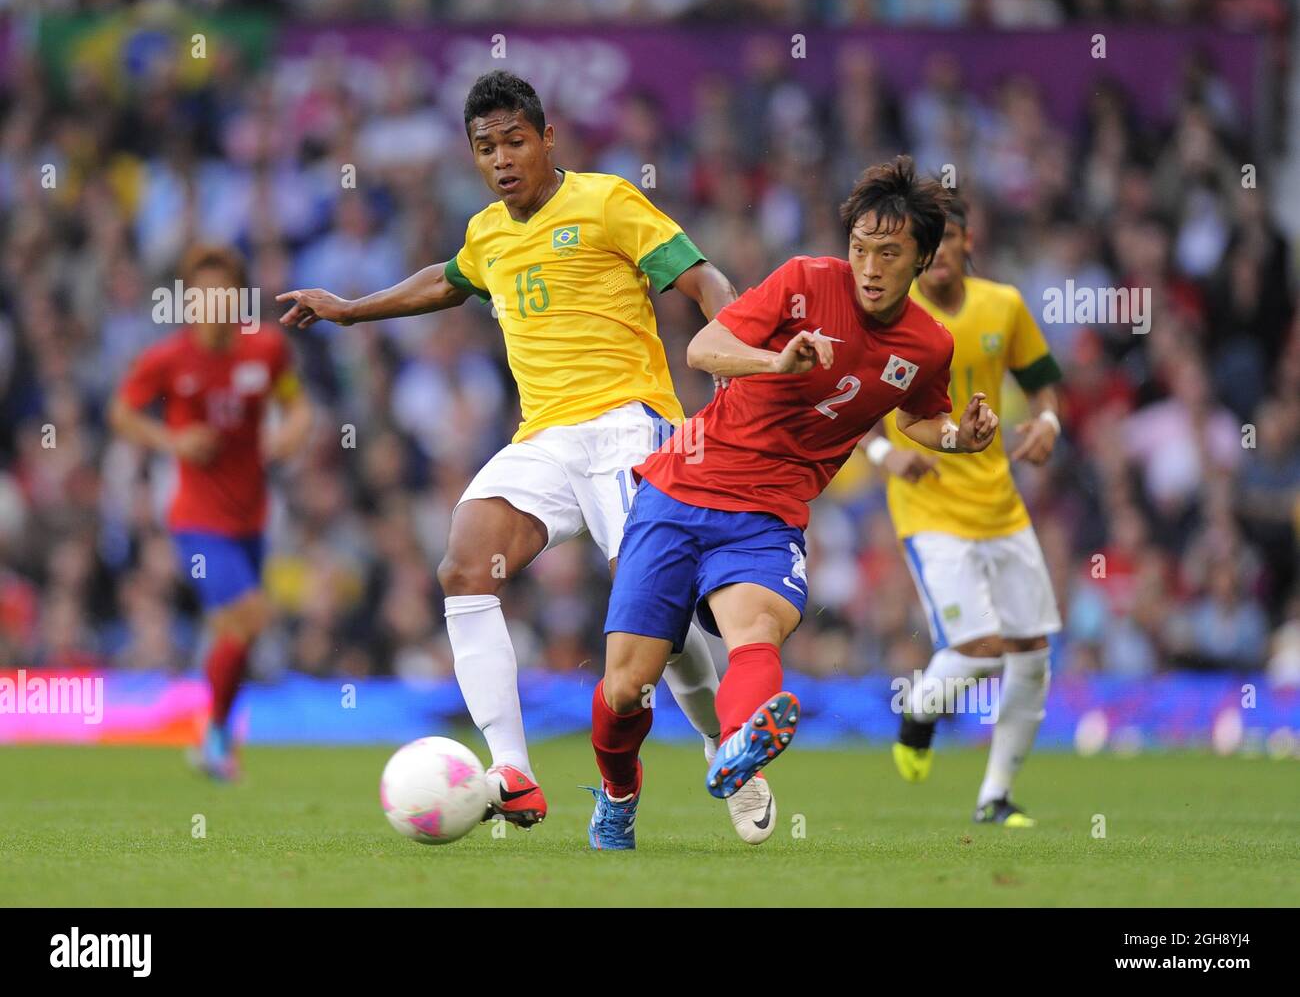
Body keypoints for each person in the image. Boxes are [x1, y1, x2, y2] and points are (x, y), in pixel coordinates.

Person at [277, 70, 754, 835]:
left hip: (629, 427)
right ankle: (514, 771)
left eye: (514, 141)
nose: (501, 159)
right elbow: (449, 278)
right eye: (485, 147)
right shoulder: (488, 233)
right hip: (543, 439)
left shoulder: (606, 201)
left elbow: (704, 278)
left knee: (658, 625)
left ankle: (718, 744)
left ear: (547, 138)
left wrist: (738, 361)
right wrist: (351, 310)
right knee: (463, 564)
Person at [587, 157, 999, 850]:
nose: (869, 266)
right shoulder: (806, 281)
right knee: (626, 688)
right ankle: (619, 794)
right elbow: (704, 347)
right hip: (679, 490)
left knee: (758, 631)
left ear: (923, 259)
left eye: (889, 253)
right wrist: (774, 362)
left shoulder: (930, 344)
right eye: (861, 248)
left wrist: (961, 436)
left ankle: (739, 746)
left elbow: (918, 419)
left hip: (769, 514)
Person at [869, 195, 1063, 827]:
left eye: (948, 238)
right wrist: (882, 452)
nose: (939, 253)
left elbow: (1040, 380)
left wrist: (1049, 421)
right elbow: (851, 400)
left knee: (1032, 649)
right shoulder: (892, 314)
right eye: (928, 244)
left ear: (965, 241)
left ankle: (996, 796)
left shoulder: (1002, 305)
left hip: (1001, 504)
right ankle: (921, 709)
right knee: (980, 647)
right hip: (929, 507)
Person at [111, 244, 313, 780]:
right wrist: (172, 440)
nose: (213, 302)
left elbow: (297, 407)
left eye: (224, 291)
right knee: (250, 618)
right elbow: (122, 413)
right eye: (201, 293)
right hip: (197, 519)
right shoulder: (167, 359)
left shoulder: (266, 351)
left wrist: (288, 437)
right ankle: (214, 736)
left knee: (241, 631)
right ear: (187, 300)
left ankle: (216, 737)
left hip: (252, 516)